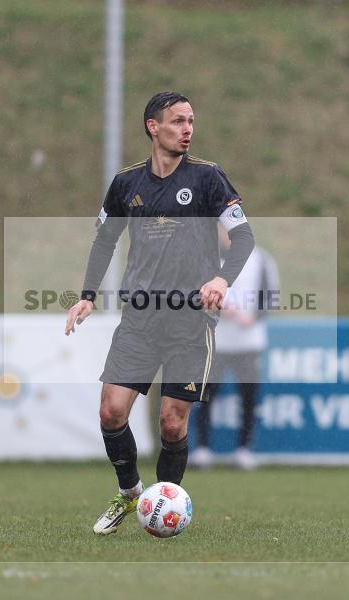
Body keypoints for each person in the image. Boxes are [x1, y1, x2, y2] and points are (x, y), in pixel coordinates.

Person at [64, 91, 255, 535]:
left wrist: (221, 279)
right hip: (141, 318)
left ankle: (164, 512)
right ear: (153, 127)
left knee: (172, 422)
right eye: (177, 121)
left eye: (191, 121)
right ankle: (131, 494)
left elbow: (243, 237)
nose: (187, 129)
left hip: (190, 320)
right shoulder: (126, 184)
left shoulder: (209, 179)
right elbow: (104, 240)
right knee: (111, 412)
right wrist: (88, 294)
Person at [191, 232, 280, 471]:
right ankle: (202, 448)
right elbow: (195, 293)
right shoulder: (206, 260)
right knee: (206, 396)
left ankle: (244, 449)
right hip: (215, 341)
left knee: (248, 397)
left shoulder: (261, 259)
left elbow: (271, 297)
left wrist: (254, 316)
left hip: (249, 343)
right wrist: (218, 305)